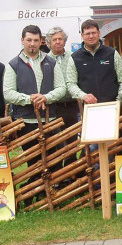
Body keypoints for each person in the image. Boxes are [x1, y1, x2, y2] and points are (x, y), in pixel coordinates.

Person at [3, 25, 66, 184]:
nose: (32, 43)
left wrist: (45, 98)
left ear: (41, 42)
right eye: (29, 40)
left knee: (54, 158)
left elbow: (61, 88)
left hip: (49, 119)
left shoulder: (51, 62)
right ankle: (34, 191)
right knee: (33, 161)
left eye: (36, 40)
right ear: (22, 40)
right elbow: (8, 93)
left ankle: (53, 191)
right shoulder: (13, 64)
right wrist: (30, 99)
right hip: (25, 121)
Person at [66, 19, 122, 105]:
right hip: (88, 108)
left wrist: (118, 100)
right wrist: (83, 96)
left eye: (94, 33)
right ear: (82, 35)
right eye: (87, 33)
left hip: (112, 106)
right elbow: (71, 84)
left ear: (99, 33)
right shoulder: (75, 58)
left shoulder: (112, 53)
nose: (91, 36)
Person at [46, 27, 79, 168]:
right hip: (55, 107)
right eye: (54, 40)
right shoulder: (45, 60)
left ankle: (71, 172)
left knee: (72, 140)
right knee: (57, 141)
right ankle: (58, 172)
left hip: (71, 105)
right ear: (49, 42)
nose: (58, 42)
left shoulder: (73, 57)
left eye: (60, 39)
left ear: (65, 41)